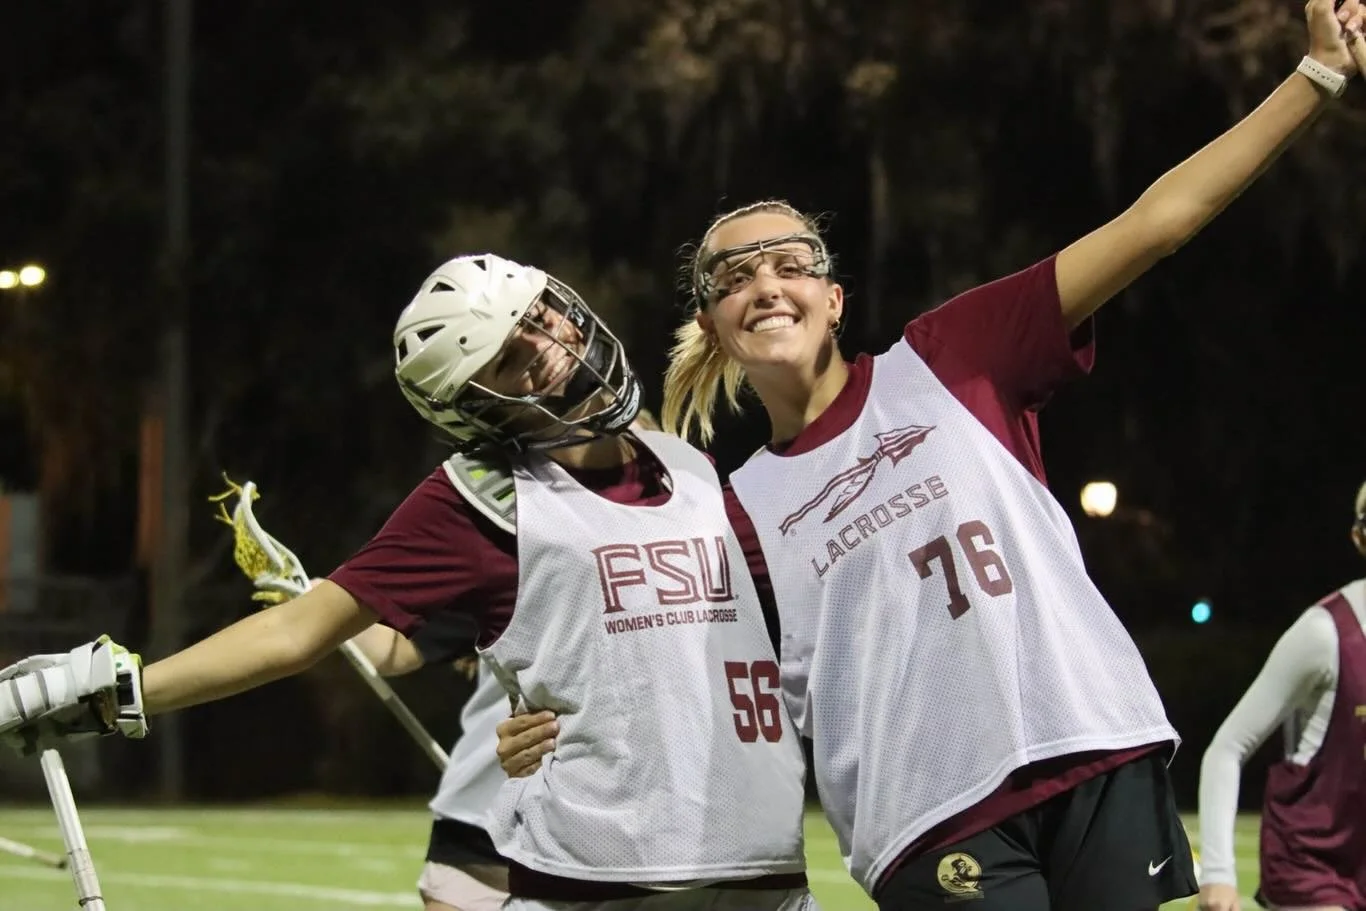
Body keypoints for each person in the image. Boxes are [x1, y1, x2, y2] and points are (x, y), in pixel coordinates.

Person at [495, 4, 1366, 909]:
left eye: (788, 261)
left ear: (833, 298)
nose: (763, 284)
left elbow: (1157, 223)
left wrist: (1316, 78)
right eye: (730, 277)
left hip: (1093, 742)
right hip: (928, 817)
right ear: (712, 326)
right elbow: (674, 673)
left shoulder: (951, 357)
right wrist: (554, 725)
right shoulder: (735, 507)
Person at [0, 254, 815, 910]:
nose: (554, 344)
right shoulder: (480, 501)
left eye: (540, 316)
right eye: (513, 354)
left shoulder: (690, 465)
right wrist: (124, 688)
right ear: (479, 406)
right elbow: (301, 632)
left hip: (763, 868)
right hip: (603, 878)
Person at [1195, 481, 1366, 911]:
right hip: (1311, 864)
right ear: (1359, 538)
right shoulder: (1325, 632)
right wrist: (1218, 875)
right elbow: (1227, 748)